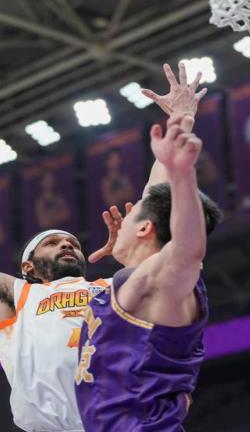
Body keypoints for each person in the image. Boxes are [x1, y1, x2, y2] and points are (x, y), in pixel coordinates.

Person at [0, 62, 206, 432]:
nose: (66, 244)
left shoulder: (114, 290)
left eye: (72, 242)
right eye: (52, 243)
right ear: (28, 267)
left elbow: (155, 205)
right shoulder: (14, 296)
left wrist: (181, 121)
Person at [75, 62, 222, 431]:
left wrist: (183, 174)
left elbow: (187, 249)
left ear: (145, 228)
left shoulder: (163, 280)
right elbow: (156, 193)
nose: (120, 217)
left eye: (131, 213)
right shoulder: (140, 279)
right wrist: (182, 120)